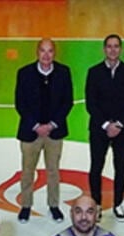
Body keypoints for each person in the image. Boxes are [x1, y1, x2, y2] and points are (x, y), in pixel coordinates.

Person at [13, 38, 72, 224]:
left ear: (55, 53)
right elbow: (20, 103)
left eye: (50, 51)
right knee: (27, 170)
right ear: (37, 52)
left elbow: (67, 102)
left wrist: (52, 125)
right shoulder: (24, 73)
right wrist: (36, 126)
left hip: (54, 133)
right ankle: (26, 206)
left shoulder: (63, 73)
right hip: (31, 132)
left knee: (53, 171)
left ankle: (53, 205)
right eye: (43, 51)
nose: (46, 55)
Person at [84, 34, 124, 217]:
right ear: (104, 49)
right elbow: (91, 103)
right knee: (96, 166)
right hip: (99, 129)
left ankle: (118, 204)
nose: (113, 50)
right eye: (109, 46)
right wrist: (106, 124)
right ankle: (96, 204)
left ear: (121, 49)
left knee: (120, 167)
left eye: (116, 46)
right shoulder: (94, 72)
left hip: (123, 130)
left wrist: (119, 124)